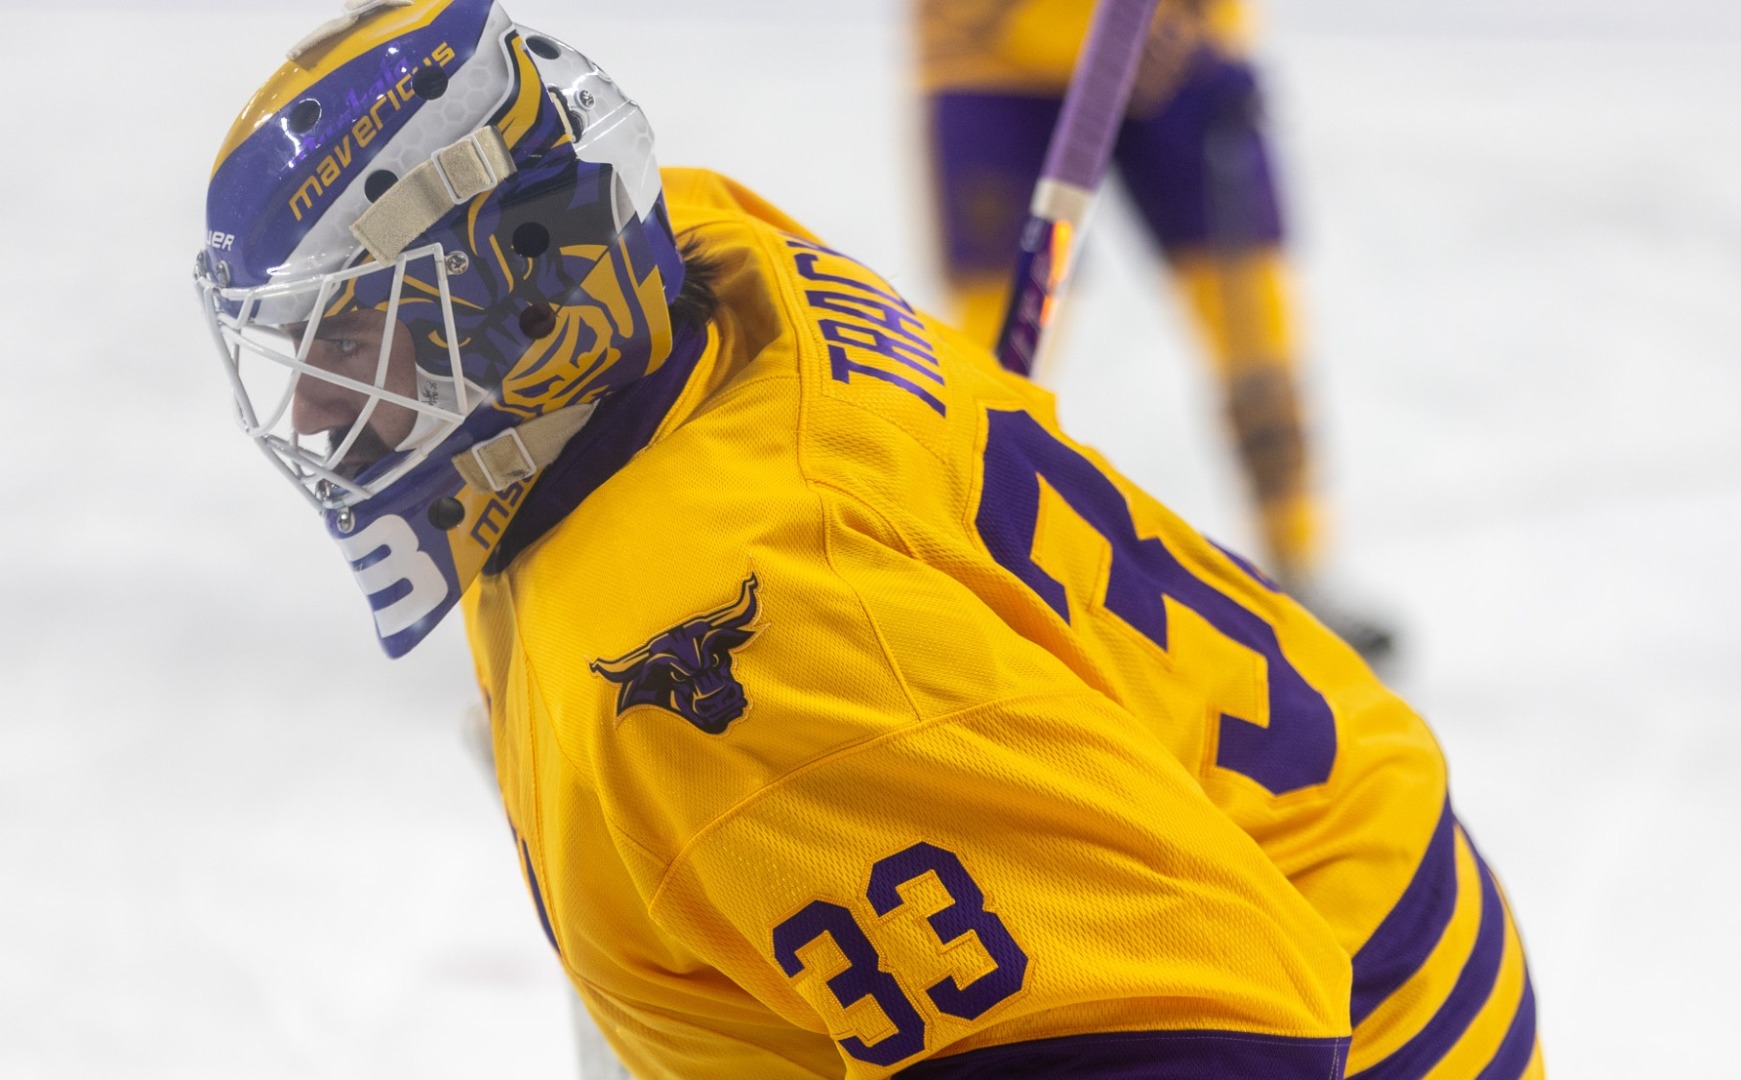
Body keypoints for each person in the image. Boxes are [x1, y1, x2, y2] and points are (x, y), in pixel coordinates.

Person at [194, 1, 1541, 1077]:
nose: (313, 406)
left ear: (511, 275)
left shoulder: (706, 660)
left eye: (349, 336)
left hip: (1371, 1008)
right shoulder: (709, 249)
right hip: (1322, 830)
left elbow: (1209, 1036)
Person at [914, 0, 1394, 660]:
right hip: (998, 52)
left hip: (1175, 47)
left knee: (1252, 316)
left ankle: (1300, 562)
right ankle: (952, 557)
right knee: (999, 335)